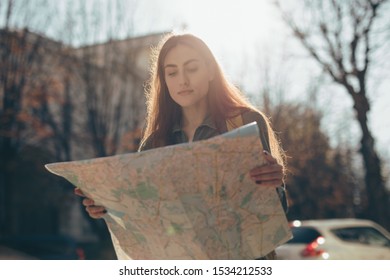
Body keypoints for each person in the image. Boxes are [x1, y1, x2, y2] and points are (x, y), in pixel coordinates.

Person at [75, 33, 287, 259]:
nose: (182, 80)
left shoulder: (245, 122)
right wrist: (108, 208)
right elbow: (144, 217)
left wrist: (276, 184)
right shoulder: (154, 143)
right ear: (164, 81)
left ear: (211, 71)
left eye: (192, 69)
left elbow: (275, 212)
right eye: (172, 72)